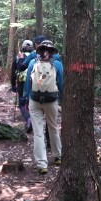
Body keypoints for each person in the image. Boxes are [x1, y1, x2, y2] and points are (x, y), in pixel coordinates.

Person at [24, 40, 63, 175]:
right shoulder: (57, 64)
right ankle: (57, 156)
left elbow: (28, 82)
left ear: (39, 51)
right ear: (52, 51)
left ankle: (42, 164)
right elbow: (61, 83)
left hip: (34, 100)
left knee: (38, 132)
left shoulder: (32, 63)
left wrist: (26, 98)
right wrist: (60, 97)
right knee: (53, 127)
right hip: (51, 100)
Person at [11, 40, 34, 133]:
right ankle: (30, 122)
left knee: (22, 103)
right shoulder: (35, 57)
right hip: (33, 82)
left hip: (22, 83)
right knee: (31, 102)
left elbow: (13, 72)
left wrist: (13, 85)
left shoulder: (17, 57)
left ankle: (28, 119)